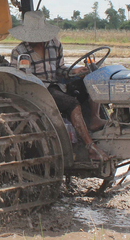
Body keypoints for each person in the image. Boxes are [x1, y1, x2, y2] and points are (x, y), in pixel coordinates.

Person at [9, 10, 109, 161]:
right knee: (72, 104)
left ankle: (94, 119)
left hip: (56, 86)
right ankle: (90, 147)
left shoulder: (55, 44)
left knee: (92, 81)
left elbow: (60, 70)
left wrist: (75, 71)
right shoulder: (20, 52)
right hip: (37, 91)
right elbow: (23, 80)